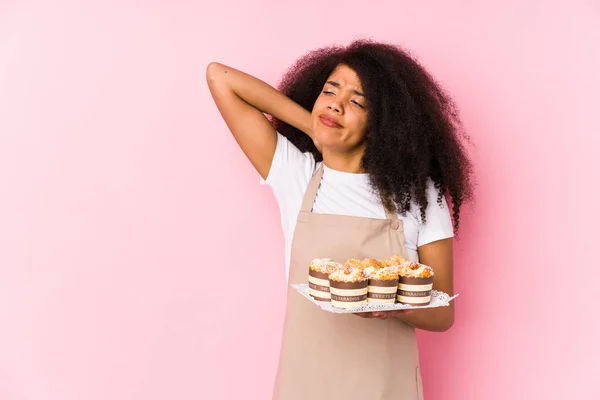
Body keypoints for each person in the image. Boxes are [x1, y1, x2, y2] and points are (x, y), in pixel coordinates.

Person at [206, 39, 473, 400]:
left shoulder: (420, 195)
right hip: (307, 385)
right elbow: (220, 78)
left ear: (385, 125)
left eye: (357, 102)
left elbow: (443, 314)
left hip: (385, 387)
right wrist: (318, 129)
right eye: (330, 91)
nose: (336, 103)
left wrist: (388, 307)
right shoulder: (296, 175)